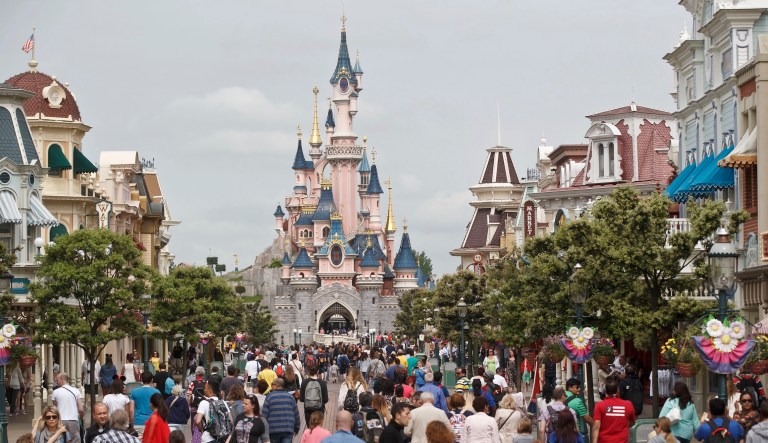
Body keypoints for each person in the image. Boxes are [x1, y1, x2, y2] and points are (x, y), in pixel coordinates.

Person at [592, 376, 636, 443]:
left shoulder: (599, 406)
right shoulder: (628, 405)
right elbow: (633, 422)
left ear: (606, 391)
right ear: (618, 390)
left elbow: (596, 426)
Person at [262, 378, 300, 443]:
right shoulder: (290, 397)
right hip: (288, 429)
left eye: (272, 384)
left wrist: (262, 429)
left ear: (276, 385)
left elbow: (264, 414)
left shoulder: (269, 396)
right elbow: (296, 413)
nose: (271, 386)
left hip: (273, 430)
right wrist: (296, 427)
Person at [51, 373, 84, 443]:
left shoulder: (55, 392)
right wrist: (81, 418)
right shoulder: (76, 391)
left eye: (57, 380)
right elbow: (81, 409)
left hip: (60, 420)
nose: (56, 382)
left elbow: (54, 409)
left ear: (62, 380)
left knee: (59, 439)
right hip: (73, 420)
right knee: (75, 440)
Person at [130, 371, 161, 437]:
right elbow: (159, 409)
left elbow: (131, 410)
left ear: (141, 379)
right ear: (151, 380)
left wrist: (131, 423)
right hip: (152, 422)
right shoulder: (156, 392)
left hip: (138, 421)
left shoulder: (134, 391)